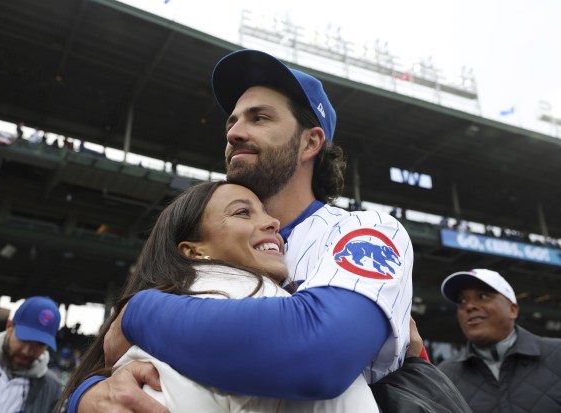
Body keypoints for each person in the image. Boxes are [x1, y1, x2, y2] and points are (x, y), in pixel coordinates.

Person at [69, 49, 427, 412]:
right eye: (232, 122)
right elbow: (123, 364)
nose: (235, 133)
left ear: (310, 142)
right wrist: (88, 394)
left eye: (260, 118)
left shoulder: (365, 229)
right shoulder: (212, 235)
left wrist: (139, 313)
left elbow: (318, 355)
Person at [60, 180, 382, 412]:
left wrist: (139, 310)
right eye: (243, 212)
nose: (273, 222)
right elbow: (316, 349)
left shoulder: (159, 318)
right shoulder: (245, 294)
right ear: (192, 250)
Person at [438, 268, 561, 412]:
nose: (469, 306)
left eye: (483, 296)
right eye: (462, 301)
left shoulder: (557, 355)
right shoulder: (444, 377)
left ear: (513, 310)